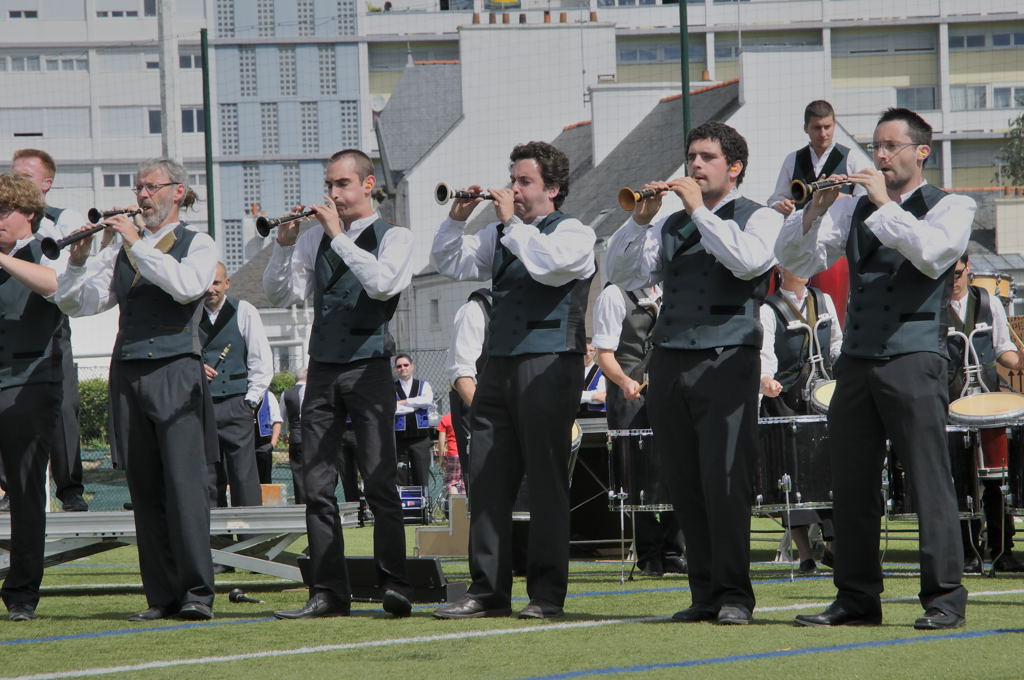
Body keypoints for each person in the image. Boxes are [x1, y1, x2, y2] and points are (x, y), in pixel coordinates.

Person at [777, 107, 975, 630]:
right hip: (858, 362)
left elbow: (932, 255)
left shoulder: (953, 205)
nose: (881, 156)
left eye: (891, 147)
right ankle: (857, 597)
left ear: (921, 152)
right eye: (876, 148)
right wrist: (813, 213)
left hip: (915, 358)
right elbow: (795, 262)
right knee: (852, 484)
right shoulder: (850, 209)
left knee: (929, 481)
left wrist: (883, 204)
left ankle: (945, 599)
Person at [605, 121, 783, 625]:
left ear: (735, 167)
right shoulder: (671, 224)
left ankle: (734, 596)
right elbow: (622, 274)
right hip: (671, 360)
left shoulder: (759, 218)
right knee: (684, 482)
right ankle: (704, 593)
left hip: (728, 360)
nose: (695, 165)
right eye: (692, 157)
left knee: (725, 481)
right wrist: (638, 223)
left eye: (706, 157)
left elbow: (748, 263)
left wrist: (699, 211)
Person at [431, 141, 596, 619]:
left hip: (549, 364)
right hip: (498, 366)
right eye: (514, 179)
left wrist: (510, 224)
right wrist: (457, 220)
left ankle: (545, 595)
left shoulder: (575, 234)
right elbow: (450, 262)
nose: (514, 188)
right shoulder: (504, 234)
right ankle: (487, 591)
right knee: (485, 479)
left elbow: (547, 267)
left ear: (553, 188)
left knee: (545, 482)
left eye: (524, 181)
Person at [56, 158, 218, 622]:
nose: (142, 196)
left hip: (175, 370)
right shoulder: (124, 249)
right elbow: (79, 303)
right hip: (128, 372)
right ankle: (161, 596)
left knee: (185, 486)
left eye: (150, 188)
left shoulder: (197, 243)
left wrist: (134, 241)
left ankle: (196, 594)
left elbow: (187, 287)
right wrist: (79, 259)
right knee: (143, 488)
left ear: (178, 192)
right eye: (138, 188)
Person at [263, 148, 413, 619]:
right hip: (323, 368)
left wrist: (338, 236)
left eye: (342, 184)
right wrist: (284, 245)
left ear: (368, 185)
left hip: (370, 367)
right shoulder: (313, 240)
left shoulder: (397, 237)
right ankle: (328, 591)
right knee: (317, 483)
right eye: (329, 185)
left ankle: (395, 584)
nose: (332, 194)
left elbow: (383, 285)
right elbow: (280, 293)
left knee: (380, 478)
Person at [0, 172, 69, 621]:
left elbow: (55, 285)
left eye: (3, 211)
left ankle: (22, 593)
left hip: (29, 385)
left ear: (28, 213)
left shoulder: (47, 247)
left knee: (26, 493)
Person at [11, 148, 89, 512]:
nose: (16, 182)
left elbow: (68, 269)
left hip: (50, 321)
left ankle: (70, 490)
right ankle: (12, 487)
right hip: (11, 326)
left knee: (63, 405)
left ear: (46, 184)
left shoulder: (61, 219)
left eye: (25, 177)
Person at [593, 283, 687, 577]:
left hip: (668, 390)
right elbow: (604, 354)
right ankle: (649, 554)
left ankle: (674, 551)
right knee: (637, 475)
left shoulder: (669, 291)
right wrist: (624, 381)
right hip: (628, 394)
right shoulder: (613, 295)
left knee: (677, 468)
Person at [758, 266, 843, 574]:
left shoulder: (824, 300)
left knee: (828, 470)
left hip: (822, 396)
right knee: (791, 476)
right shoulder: (768, 309)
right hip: (785, 399)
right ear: (780, 268)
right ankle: (805, 554)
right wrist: (766, 380)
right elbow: (764, 354)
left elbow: (836, 342)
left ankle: (834, 547)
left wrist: (843, 363)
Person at [946, 253, 1024, 573]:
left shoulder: (988, 301)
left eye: (958, 274)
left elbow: (1002, 349)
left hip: (987, 401)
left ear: (969, 270)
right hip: (950, 403)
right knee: (959, 479)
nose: (953, 282)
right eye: (946, 276)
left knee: (996, 477)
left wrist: (1019, 362)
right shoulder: (931, 307)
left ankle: (1002, 548)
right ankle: (966, 551)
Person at [201, 261, 273, 508]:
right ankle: (213, 541)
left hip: (237, 403)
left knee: (244, 476)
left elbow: (261, 360)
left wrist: (250, 402)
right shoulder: (187, 314)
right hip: (201, 406)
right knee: (208, 478)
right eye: (207, 282)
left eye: (217, 282)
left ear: (227, 284)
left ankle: (250, 543)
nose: (211, 289)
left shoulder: (245, 311)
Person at [767, 100, 870, 217]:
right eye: (817, 128)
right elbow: (775, 199)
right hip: (803, 232)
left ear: (834, 125)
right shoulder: (792, 159)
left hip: (841, 233)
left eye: (827, 127)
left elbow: (864, 199)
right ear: (805, 128)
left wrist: (844, 199)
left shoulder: (852, 158)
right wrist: (780, 205)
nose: (823, 133)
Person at [445, 288, 492, 496]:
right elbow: (462, 377)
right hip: (480, 411)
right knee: (483, 488)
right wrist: (490, 418)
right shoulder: (475, 310)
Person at [393, 353, 435, 489]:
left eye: (406, 365)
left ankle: (423, 510)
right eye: (399, 366)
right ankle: (403, 510)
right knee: (400, 478)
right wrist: (415, 407)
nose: (402, 368)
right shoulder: (391, 387)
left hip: (420, 440)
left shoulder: (424, 385)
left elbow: (427, 401)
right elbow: (391, 408)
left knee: (421, 477)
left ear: (412, 367)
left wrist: (405, 402)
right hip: (399, 441)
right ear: (395, 369)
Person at [279, 370, 307, 503]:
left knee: (298, 472)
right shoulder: (314, 391)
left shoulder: (286, 393)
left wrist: (284, 434)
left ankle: (301, 504)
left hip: (296, 437)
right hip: (314, 438)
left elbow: (281, 417)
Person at [253, 389, 283, 485]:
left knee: (264, 481)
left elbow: (277, 421)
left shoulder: (269, 396)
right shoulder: (241, 395)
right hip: (244, 443)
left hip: (263, 443)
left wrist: (272, 444)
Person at [435, 412, 464, 497]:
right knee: (464, 483)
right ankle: (465, 509)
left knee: (452, 483)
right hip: (467, 452)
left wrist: (441, 457)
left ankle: (458, 510)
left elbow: (441, 440)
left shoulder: (446, 418)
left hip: (453, 453)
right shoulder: (468, 416)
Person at [578, 342, 607, 418]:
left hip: (597, 416)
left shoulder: (602, 371)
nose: (587, 354)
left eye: (591, 350)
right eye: (585, 350)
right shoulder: (573, 371)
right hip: (575, 416)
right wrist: (593, 396)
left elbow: (601, 398)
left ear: (595, 352)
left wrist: (577, 396)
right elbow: (568, 395)